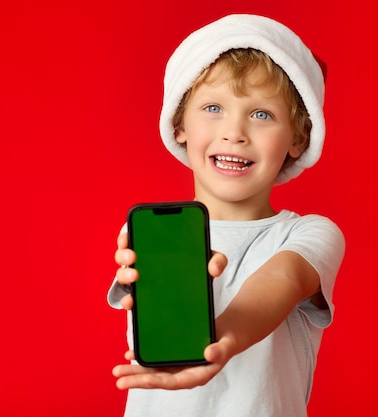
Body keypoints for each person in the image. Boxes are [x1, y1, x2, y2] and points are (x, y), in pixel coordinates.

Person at [107, 13, 345, 417]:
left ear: (298, 138)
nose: (234, 131)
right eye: (214, 107)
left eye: (262, 114)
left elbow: (280, 280)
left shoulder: (311, 234)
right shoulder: (150, 236)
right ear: (179, 124)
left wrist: (223, 340)